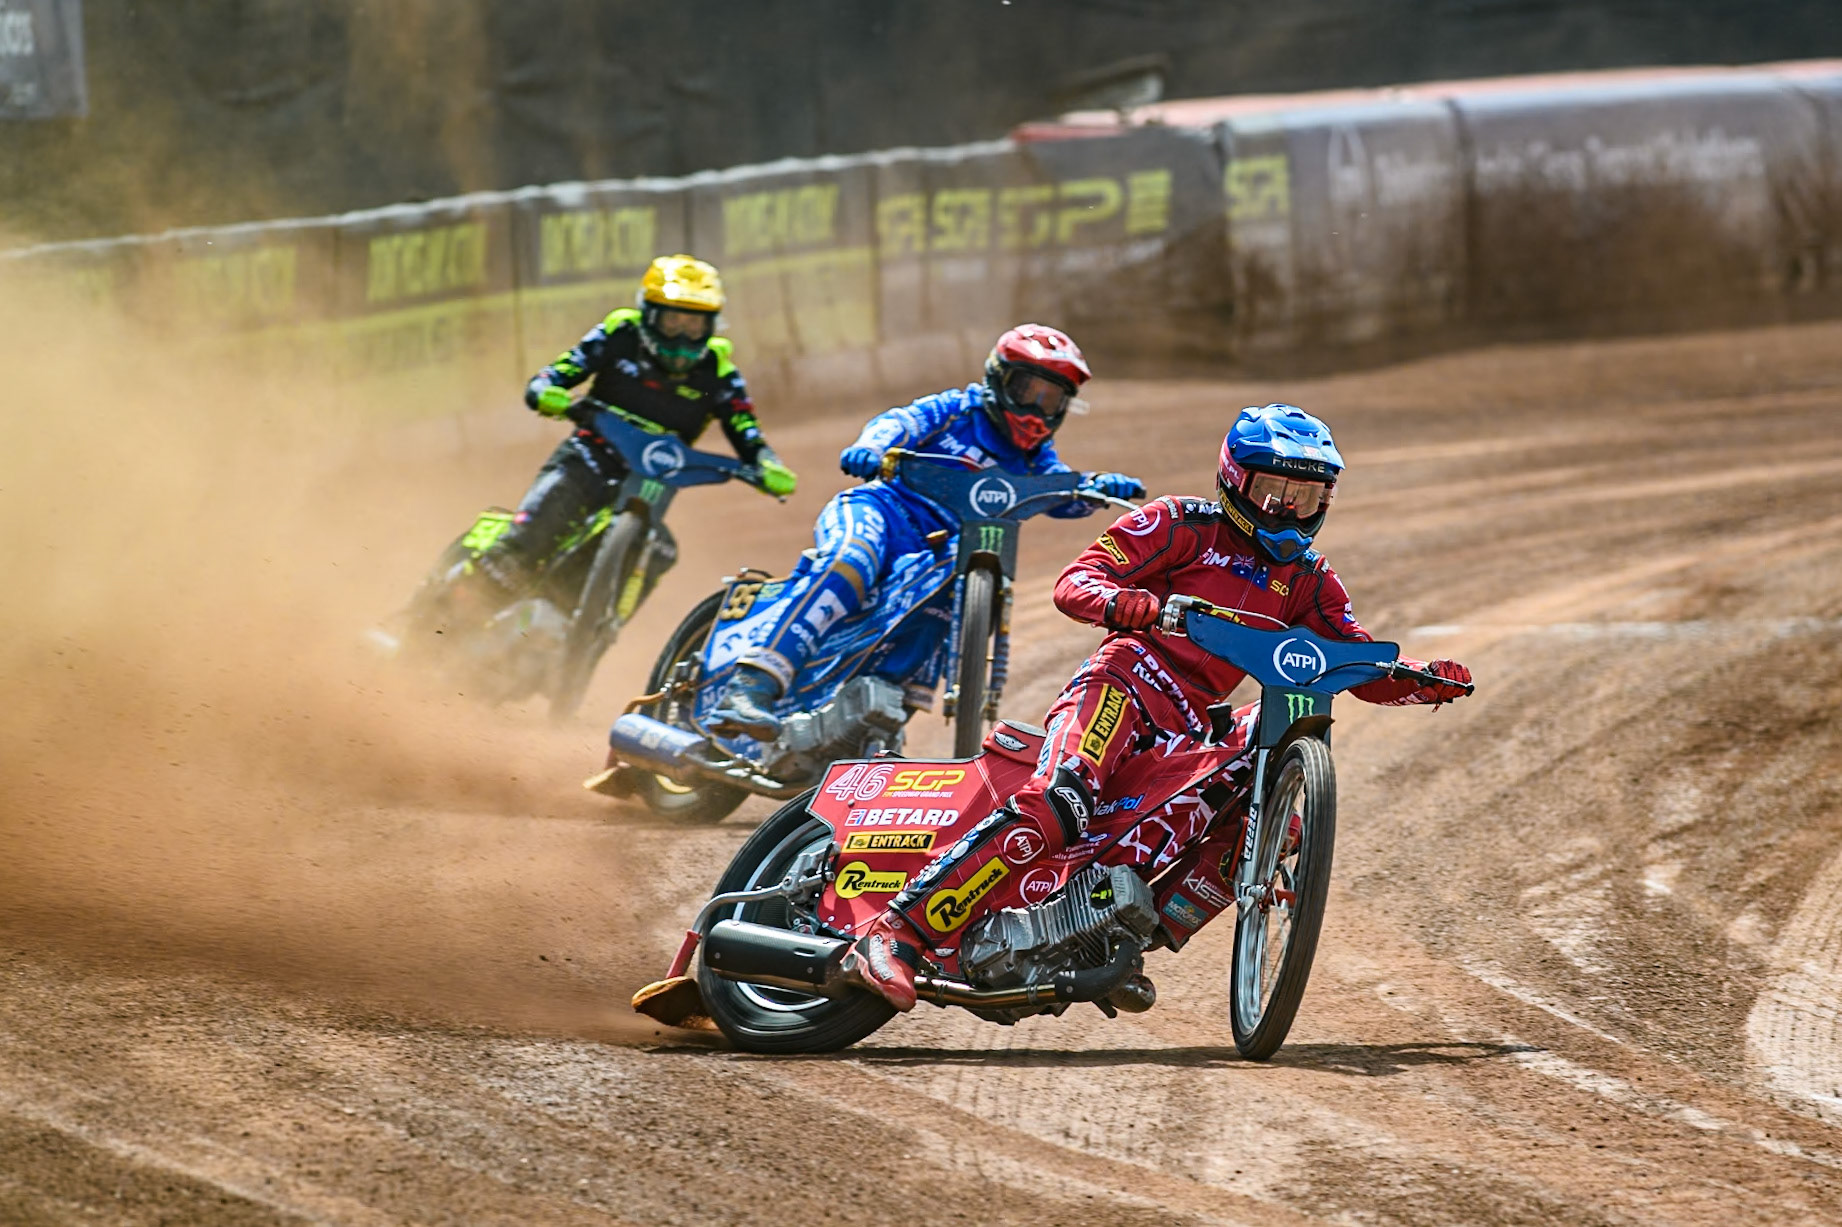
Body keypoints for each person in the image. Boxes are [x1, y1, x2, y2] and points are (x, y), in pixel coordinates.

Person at [837, 403, 1474, 1010]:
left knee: (1276, 820)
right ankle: (897, 933)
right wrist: (1128, 604)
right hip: (1123, 687)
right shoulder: (1178, 524)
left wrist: (1419, 679)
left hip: (1190, 729)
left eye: (1308, 498)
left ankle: (1113, 938)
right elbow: (1075, 583)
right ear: (1235, 480)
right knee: (1061, 802)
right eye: (1276, 493)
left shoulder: (1311, 580)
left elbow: (1355, 663)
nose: (1290, 511)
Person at [707, 324, 1145, 738]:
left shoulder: (1036, 458)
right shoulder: (956, 409)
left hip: (942, 551)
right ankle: (750, 686)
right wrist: (871, 447)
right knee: (852, 559)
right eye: (1026, 390)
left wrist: (1095, 487)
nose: (1034, 410)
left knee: (945, 601)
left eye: (1050, 400)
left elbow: (1061, 491)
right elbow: (899, 422)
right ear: (998, 380)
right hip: (883, 511)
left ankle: (875, 722)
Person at [461, 254, 796, 608]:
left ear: (711, 326)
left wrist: (767, 464)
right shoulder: (621, 333)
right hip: (587, 459)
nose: (682, 337)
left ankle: (586, 637)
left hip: (649, 490)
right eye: (672, 322)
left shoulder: (720, 373)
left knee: (661, 551)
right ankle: (438, 618)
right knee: (526, 541)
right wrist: (547, 390)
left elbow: (747, 432)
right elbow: (561, 370)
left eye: (694, 326)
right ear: (649, 316)